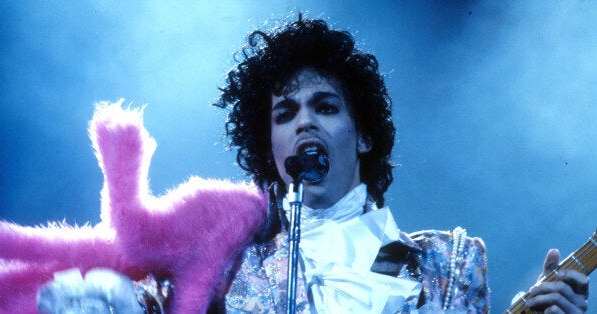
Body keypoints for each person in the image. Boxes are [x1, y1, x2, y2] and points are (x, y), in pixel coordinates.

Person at [209, 16, 589, 313]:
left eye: (325, 107)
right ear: (270, 149)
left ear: (363, 136)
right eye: (285, 114)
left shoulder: (446, 264)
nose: (305, 122)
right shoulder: (227, 274)